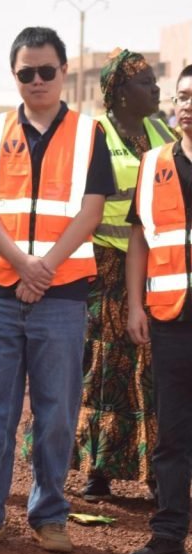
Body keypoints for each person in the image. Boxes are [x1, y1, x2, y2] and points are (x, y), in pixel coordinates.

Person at [0, 27, 113, 554]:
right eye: (25, 73)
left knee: (57, 412)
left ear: (63, 72)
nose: (36, 81)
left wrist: (45, 269)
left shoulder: (88, 134)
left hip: (61, 295)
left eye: (46, 71)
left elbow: (92, 210)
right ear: (15, 76)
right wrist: (21, 265)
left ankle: (49, 515)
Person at [73, 49, 173, 503]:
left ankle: (154, 469)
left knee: (149, 367)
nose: (155, 89)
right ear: (118, 94)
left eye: (155, 81)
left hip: (148, 266)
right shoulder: (93, 133)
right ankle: (98, 469)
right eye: (145, 82)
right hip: (99, 266)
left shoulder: (162, 131)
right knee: (101, 368)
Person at [125, 64, 192, 554]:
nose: (187, 104)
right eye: (183, 95)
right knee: (172, 434)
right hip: (170, 317)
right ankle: (169, 537)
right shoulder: (153, 164)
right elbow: (138, 239)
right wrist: (134, 305)